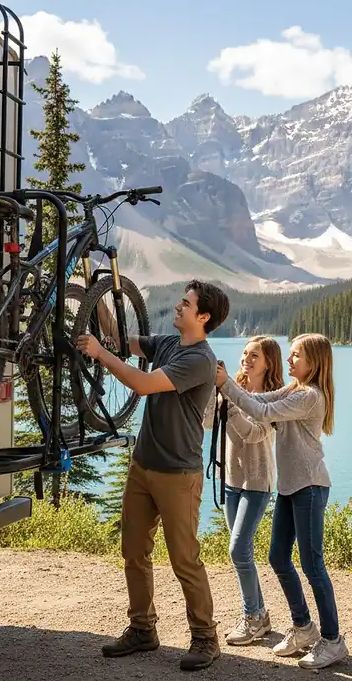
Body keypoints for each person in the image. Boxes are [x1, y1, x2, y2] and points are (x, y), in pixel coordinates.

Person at [76, 279, 230, 672]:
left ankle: (205, 638)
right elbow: (116, 337)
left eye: (186, 303)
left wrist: (99, 355)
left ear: (204, 316)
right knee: (134, 552)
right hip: (143, 466)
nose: (178, 307)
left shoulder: (201, 360)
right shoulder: (167, 343)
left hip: (179, 474)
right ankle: (143, 629)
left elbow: (143, 384)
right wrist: (94, 293)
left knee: (184, 560)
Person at [215, 333, 349, 670]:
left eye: (295, 356)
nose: (289, 361)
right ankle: (304, 628)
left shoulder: (310, 396)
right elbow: (256, 399)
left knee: (312, 565)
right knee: (277, 557)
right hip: (290, 488)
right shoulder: (293, 389)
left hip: (310, 486)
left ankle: (333, 641)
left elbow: (261, 410)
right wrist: (226, 383)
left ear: (313, 361)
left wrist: (226, 384)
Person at [203, 335, 283, 646]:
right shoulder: (232, 389)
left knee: (238, 550)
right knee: (243, 552)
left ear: (268, 363)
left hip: (257, 484)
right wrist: (214, 390)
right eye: (245, 354)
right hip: (230, 481)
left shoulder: (274, 399)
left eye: (254, 356)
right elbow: (209, 422)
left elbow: (252, 434)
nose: (246, 360)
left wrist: (231, 399)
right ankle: (258, 616)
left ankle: (252, 616)